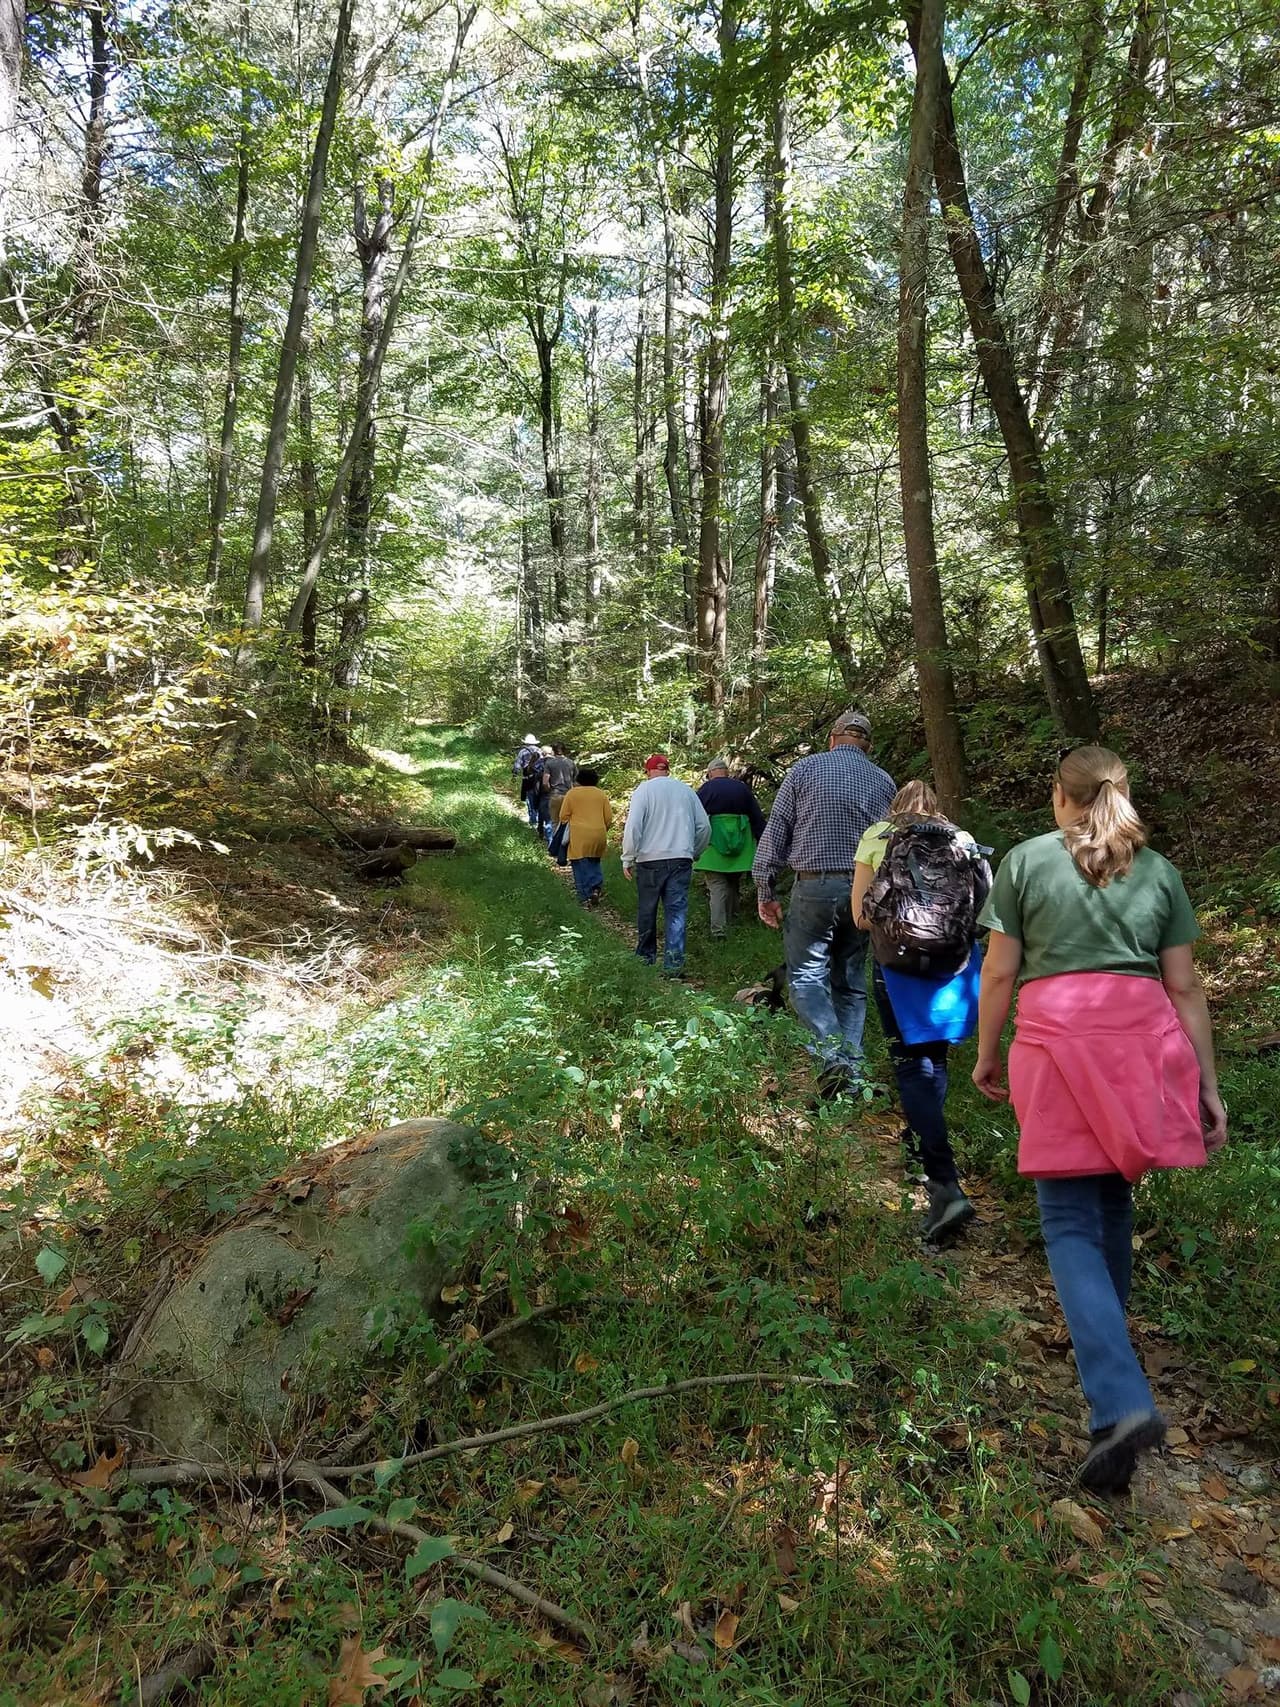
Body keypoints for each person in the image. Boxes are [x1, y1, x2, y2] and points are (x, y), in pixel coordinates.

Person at [973, 746, 1227, 1495]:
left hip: (1059, 1043)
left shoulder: (1025, 862)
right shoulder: (1159, 871)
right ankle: (1110, 1403)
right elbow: (1185, 988)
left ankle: (1118, 1400)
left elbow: (998, 969)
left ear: (1061, 795)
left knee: (1068, 1220)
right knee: (1112, 1199)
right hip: (1143, 1045)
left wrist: (988, 1050)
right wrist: (1207, 1084)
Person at [852, 781, 985, 1241]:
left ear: (897, 806)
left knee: (910, 1067)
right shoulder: (963, 840)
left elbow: (860, 916)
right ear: (937, 807)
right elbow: (981, 909)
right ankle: (923, 1148)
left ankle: (944, 1183)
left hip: (899, 964)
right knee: (936, 1061)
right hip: (955, 963)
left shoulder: (878, 835)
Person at [752, 710, 895, 1096]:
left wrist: (765, 889)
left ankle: (836, 1058)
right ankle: (853, 1076)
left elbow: (777, 828)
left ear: (832, 739)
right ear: (867, 745)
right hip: (864, 893)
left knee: (805, 977)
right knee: (849, 981)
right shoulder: (884, 780)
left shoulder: (804, 769)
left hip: (815, 886)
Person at [622, 753, 711, 978]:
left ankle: (645, 960)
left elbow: (633, 827)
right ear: (667, 770)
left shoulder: (643, 791)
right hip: (681, 858)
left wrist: (628, 857)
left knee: (647, 909)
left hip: (649, 859)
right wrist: (694, 851)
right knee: (676, 912)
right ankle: (673, 965)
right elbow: (704, 827)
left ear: (648, 771)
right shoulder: (686, 791)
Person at [695, 758, 767, 939]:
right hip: (741, 847)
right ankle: (734, 923)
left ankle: (719, 930)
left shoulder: (705, 790)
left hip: (712, 848)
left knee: (717, 886)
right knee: (734, 884)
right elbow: (757, 818)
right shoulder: (742, 788)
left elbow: (694, 818)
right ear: (726, 772)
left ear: (710, 773)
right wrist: (764, 842)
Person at [556, 767, 612, 906]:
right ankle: (596, 888)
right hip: (599, 833)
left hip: (579, 834)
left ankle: (584, 896)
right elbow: (608, 818)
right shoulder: (601, 794)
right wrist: (602, 828)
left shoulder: (572, 794)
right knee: (594, 860)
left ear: (579, 779)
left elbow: (563, 816)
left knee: (579, 863)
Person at [543, 744, 577, 859]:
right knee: (569, 823)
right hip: (569, 796)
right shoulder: (571, 763)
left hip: (555, 795)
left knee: (555, 822)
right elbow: (576, 781)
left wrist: (549, 790)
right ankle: (568, 849)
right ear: (564, 751)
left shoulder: (549, 763)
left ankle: (555, 849)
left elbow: (545, 782)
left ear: (553, 751)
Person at [514, 734, 540, 826]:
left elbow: (517, 765)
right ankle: (538, 819)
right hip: (538, 778)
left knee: (529, 798)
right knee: (538, 797)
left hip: (527, 777)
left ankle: (532, 820)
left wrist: (515, 774)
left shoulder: (523, 751)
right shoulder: (540, 751)